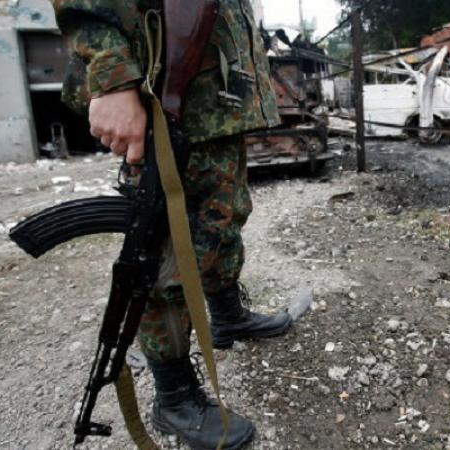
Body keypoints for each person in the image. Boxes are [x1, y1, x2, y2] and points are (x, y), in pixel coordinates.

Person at [53, 0, 292, 448]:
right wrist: (113, 78)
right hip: (156, 89)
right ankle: (174, 395)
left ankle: (227, 316)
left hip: (215, 95)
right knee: (163, 253)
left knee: (224, 217)